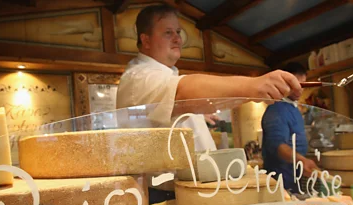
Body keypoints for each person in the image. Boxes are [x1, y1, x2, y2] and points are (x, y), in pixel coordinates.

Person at [117, 4, 303, 125]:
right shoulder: (138, 76)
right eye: (168, 32)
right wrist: (253, 85)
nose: (177, 39)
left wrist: (196, 116)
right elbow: (181, 91)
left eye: (178, 32)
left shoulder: (164, 74)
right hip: (158, 186)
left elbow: (177, 102)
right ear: (146, 40)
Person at [261, 62, 318, 194]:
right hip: (281, 181)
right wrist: (302, 160)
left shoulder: (294, 108)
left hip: (295, 176)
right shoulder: (276, 109)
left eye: (302, 85)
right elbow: (277, 145)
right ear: (284, 84)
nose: (299, 89)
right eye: (294, 85)